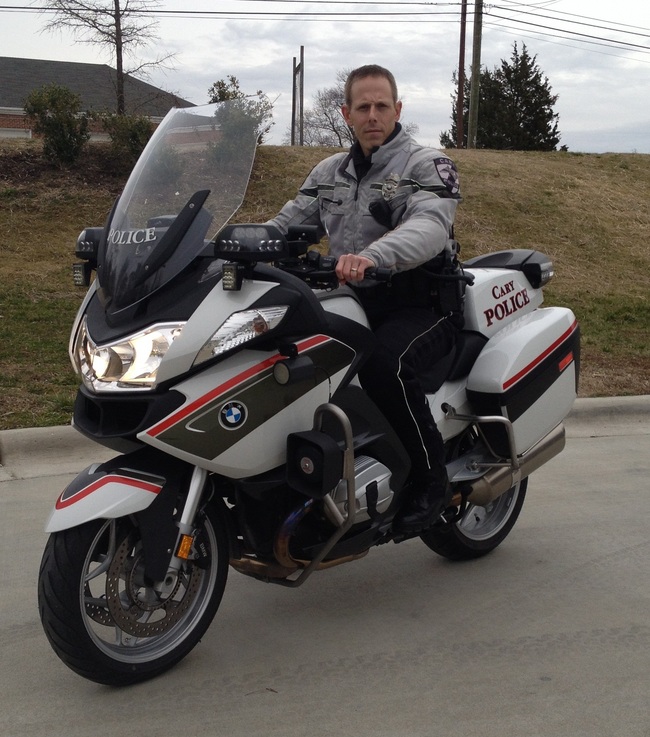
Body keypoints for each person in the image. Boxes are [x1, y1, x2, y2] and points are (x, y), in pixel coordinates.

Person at [270, 64, 462, 534]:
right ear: (346, 114)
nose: (372, 115)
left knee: (384, 364)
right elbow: (286, 224)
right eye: (363, 107)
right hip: (352, 301)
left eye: (381, 106)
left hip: (421, 304)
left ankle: (431, 480)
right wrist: (229, 247)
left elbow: (429, 226)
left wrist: (372, 256)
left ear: (398, 110)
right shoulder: (328, 172)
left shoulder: (425, 164)